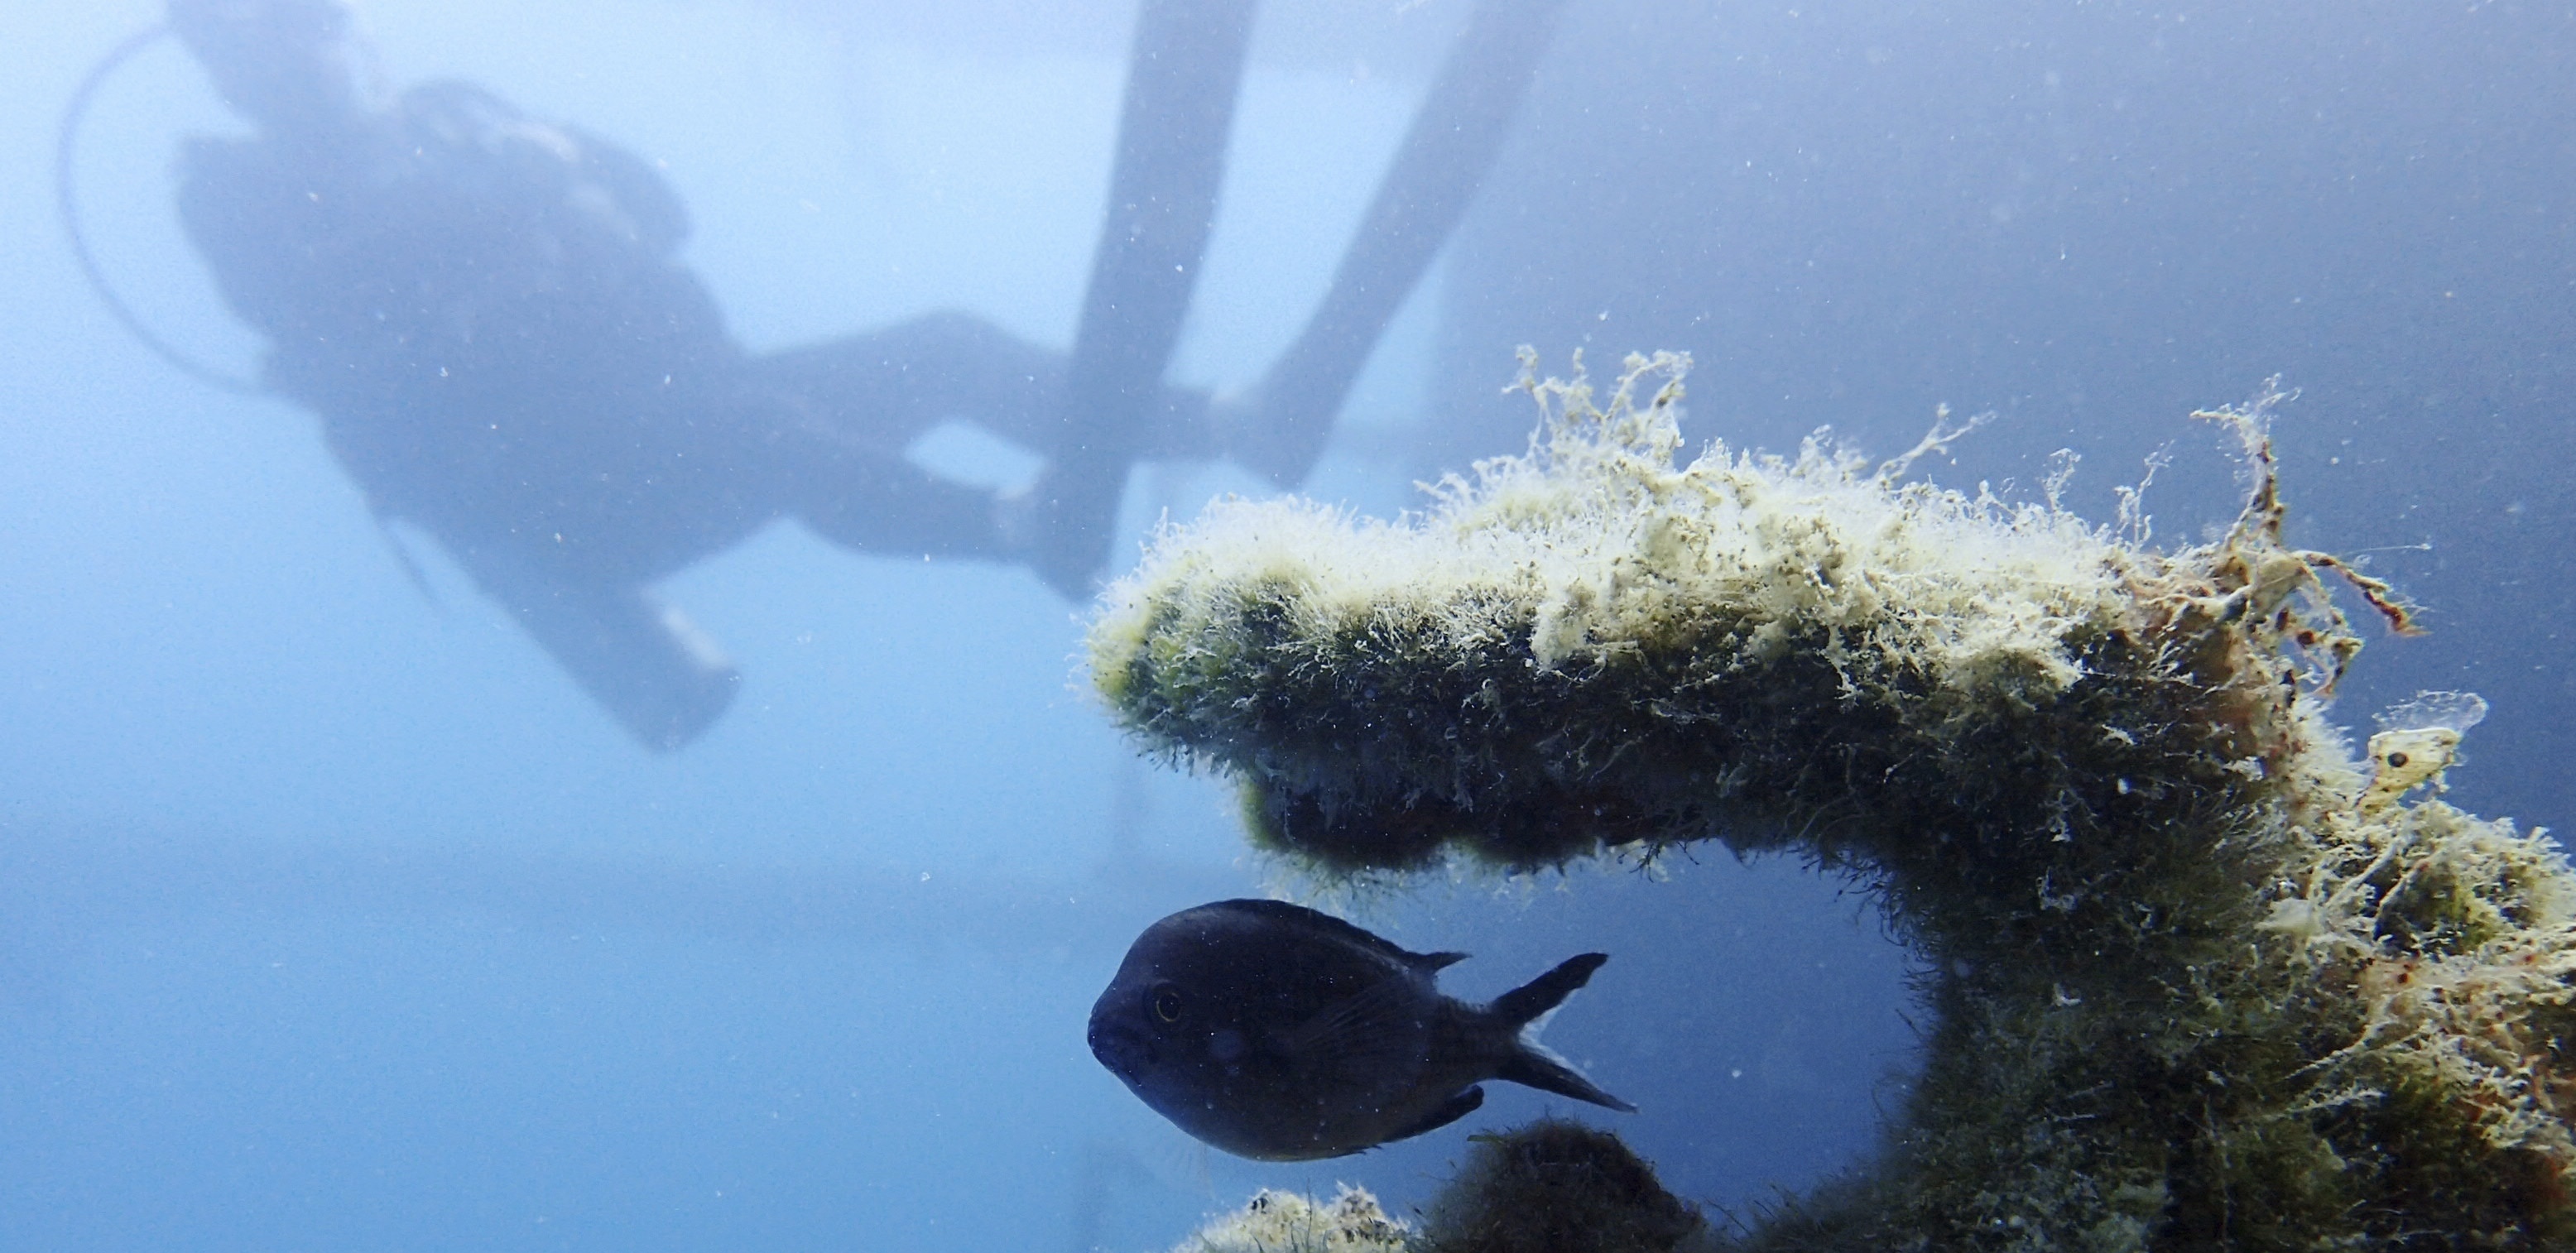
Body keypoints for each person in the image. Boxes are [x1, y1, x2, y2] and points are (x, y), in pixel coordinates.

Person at [123, 0, 1563, 748]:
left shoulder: (456, 118)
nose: (311, 50)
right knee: (766, 427)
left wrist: (558, 162)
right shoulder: (236, 196)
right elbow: (331, 306)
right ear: (227, 71)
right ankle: (1020, 525)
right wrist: (502, 198)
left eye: (319, 17)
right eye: (264, 37)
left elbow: (663, 216)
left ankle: (1234, 422)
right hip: (574, 504)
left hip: (684, 406)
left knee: (941, 347)